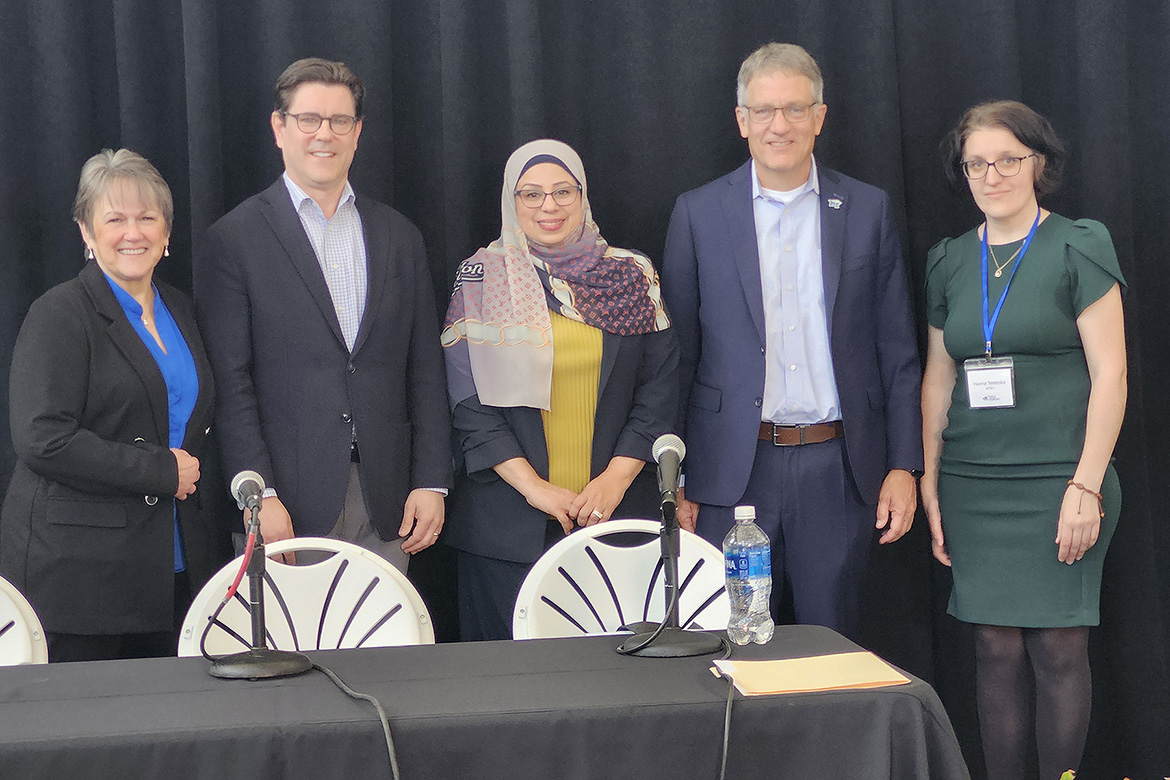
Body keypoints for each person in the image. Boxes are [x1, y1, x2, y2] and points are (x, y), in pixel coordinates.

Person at [661, 42, 922, 640]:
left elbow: (897, 351)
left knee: (834, 644)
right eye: (764, 110)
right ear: (741, 120)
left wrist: (904, 464)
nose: (780, 125)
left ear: (820, 117)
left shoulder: (866, 208)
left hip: (839, 468)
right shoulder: (698, 213)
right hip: (730, 472)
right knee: (731, 646)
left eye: (795, 109)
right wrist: (676, 475)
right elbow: (676, 358)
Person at [922, 100, 1126, 780]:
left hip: (1061, 480)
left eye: (1009, 158)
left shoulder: (1079, 244)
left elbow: (1112, 374)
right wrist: (928, 481)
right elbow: (937, 381)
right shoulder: (949, 260)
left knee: (1060, 648)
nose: (992, 173)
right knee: (993, 648)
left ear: (1039, 161)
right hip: (973, 483)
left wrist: (1086, 486)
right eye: (977, 162)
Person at [195, 58, 451, 571]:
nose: (324, 135)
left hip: (389, 499)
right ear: (279, 127)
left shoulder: (400, 236)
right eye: (308, 119)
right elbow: (231, 381)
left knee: (385, 647)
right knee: (293, 651)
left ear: (357, 133)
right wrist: (258, 493)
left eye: (340, 121)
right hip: (285, 500)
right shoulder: (234, 239)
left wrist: (431, 479)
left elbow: (424, 367)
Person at [442, 139, 677, 641]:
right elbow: (467, 402)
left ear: (583, 194)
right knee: (506, 689)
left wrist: (613, 482)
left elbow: (659, 390)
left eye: (562, 191)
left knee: (618, 685)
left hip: (616, 516)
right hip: (507, 526)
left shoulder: (633, 275)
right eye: (531, 194)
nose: (548, 206)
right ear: (512, 201)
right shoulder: (481, 276)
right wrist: (537, 489)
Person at [0, 149, 217, 661]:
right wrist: (160, 471)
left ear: (166, 232)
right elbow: (41, 438)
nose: (132, 233)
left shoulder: (182, 310)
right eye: (114, 219)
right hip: (78, 579)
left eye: (147, 218)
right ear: (87, 232)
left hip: (173, 567)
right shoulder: (59, 313)